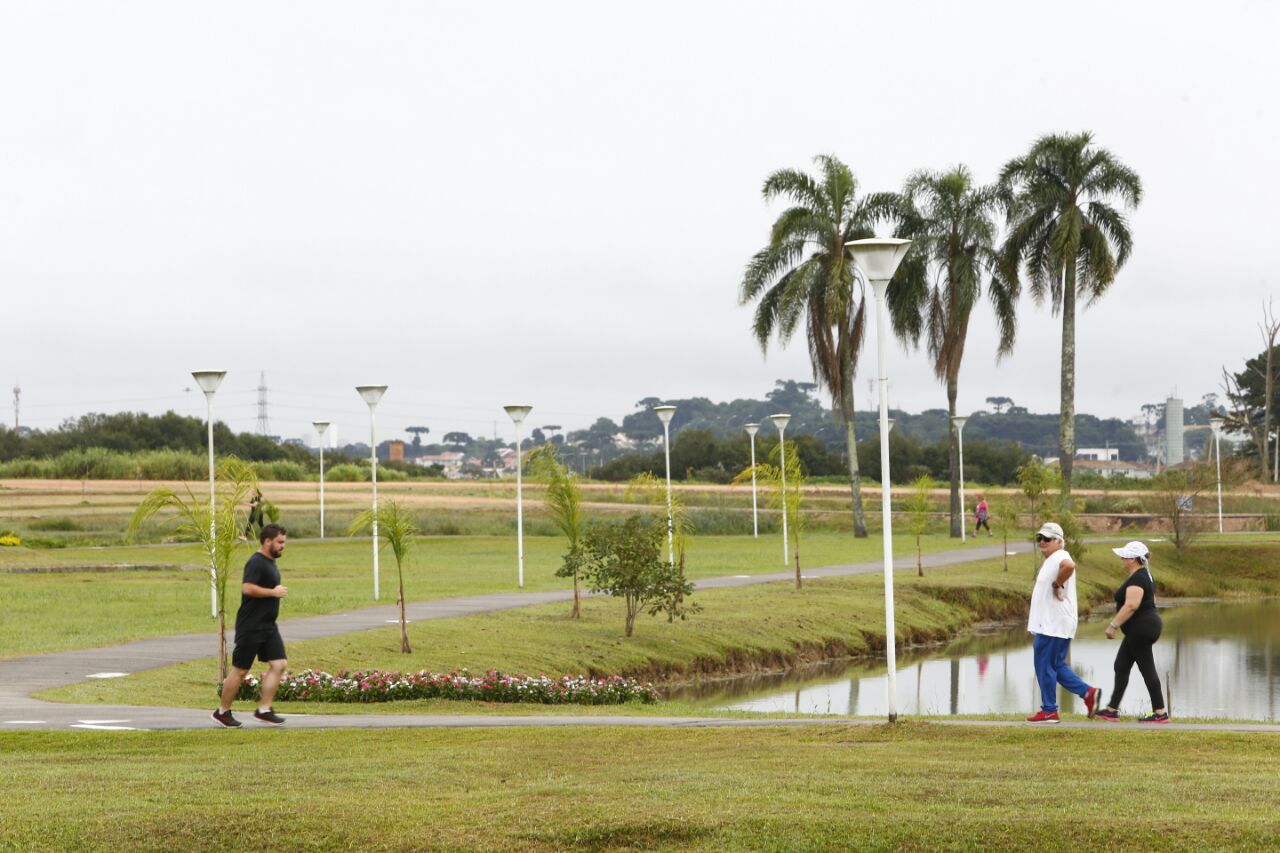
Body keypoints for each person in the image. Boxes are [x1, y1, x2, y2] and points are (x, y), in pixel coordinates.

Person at [213, 523, 290, 728]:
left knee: (279, 664)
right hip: (251, 626)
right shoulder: (256, 562)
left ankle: (264, 710)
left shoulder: (269, 562)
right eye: (280, 542)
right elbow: (247, 588)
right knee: (240, 670)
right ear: (267, 541)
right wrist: (273, 592)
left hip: (268, 626)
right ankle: (222, 712)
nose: (283, 546)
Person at [1025, 521, 1100, 723]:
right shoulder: (1052, 558)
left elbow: (1069, 566)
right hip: (1055, 622)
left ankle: (1049, 710)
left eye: (1047, 539)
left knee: (1044, 666)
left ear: (1059, 541)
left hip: (1052, 623)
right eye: (1039, 538)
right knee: (1055, 665)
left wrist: (1057, 584)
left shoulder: (1061, 556)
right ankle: (1088, 693)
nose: (1042, 542)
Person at [1096, 541, 1168, 723]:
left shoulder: (1139, 578)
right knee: (1121, 665)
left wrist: (1113, 625)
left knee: (1147, 668)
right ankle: (1112, 710)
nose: (1122, 558)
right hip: (1140, 629)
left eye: (1125, 556)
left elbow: (1131, 605)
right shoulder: (1144, 576)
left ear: (1134, 559)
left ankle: (1160, 713)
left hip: (1141, 629)